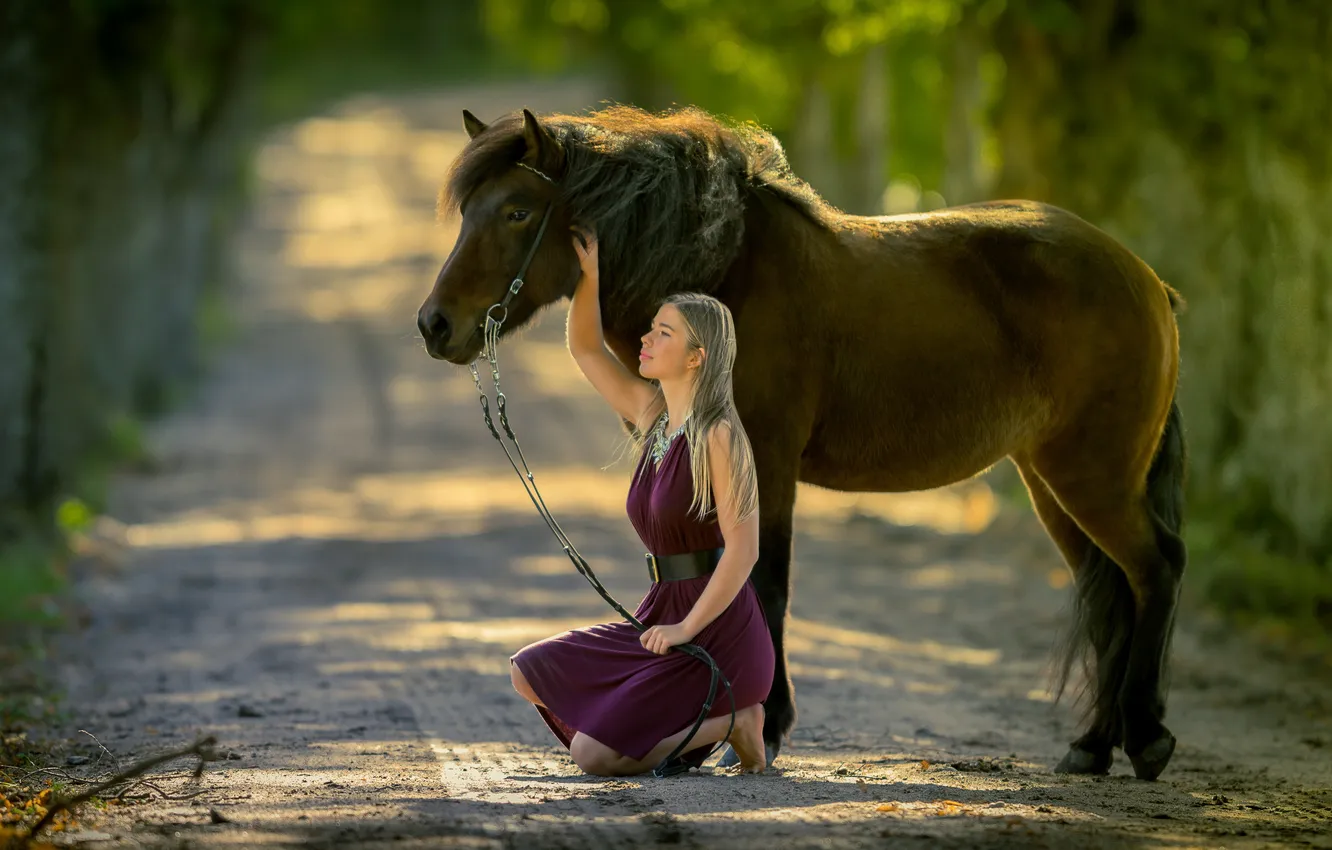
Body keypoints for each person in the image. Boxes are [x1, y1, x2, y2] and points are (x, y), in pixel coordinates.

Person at [509, 228, 775, 777]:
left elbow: (743, 553)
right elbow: (585, 348)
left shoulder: (721, 435)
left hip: (717, 634)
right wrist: (591, 279)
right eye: (652, 328)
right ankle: (690, 723)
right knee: (529, 672)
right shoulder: (652, 415)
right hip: (660, 614)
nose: (647, 340)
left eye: (664, 333)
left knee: (592, 756)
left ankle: (737, 721)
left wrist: (685, 630)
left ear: (696, 357)